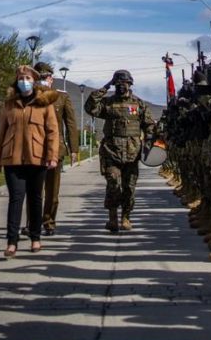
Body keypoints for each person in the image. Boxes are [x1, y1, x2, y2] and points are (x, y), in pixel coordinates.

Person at [0, 65, 59, 257]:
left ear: (34, 81)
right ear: (17, 80)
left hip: (37, 159)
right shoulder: (9, 104)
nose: (24, 81)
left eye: (28, 78)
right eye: (21, 78)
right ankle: (12, 242)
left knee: (35, 199)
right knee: (15, 199)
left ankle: (35, 238)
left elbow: (52, 132)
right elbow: (1, 134)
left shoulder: (44, 103)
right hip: (12, 159)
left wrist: (52, 156)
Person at [84, 69, 155, 232]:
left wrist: (149, 139)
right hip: (111, 151)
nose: (121, 86)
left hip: (132, 153)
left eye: (124, 83)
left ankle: (126, 217)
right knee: (113, 185)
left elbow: (149, 124)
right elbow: (90, 107)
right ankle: (113, 218)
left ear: (130, 84)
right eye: (118, 84)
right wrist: (105, 87)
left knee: (129, 188)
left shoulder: (139, 104)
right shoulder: (108, 103)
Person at [33, 61, 78, 236]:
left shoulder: (62, 97)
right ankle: (32, 223)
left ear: (51, 78)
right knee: (34, 189)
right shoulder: (29, 96)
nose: (43, 81)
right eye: (39, 78)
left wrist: (74, 149)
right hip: (34, 148)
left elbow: (71, 124)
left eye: (45, 77)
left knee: (52, 190)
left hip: (55, 149)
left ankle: (49, 221)